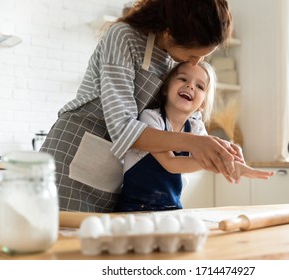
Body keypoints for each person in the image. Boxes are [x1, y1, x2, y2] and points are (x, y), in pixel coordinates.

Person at [41, 0, 243, 213]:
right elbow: (122, 128)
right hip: (74, 156)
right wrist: (195, 143)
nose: (195, 63)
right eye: (193, 55)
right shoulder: (123, 37)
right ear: (169, 32)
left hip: (115, 171)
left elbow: (190, 120)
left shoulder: (174, 58)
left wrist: (219, 148)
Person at [116, 61, 274, 212]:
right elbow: (171, 163)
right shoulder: (151, 118)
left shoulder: (196, 128)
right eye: (183, 79)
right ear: (165, 88)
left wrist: (231, 163)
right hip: (133, 208)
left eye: (199, 86)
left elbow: (212, 154)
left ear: (203, 104)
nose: (190, 85)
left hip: (171, 208)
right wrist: (214, 163)